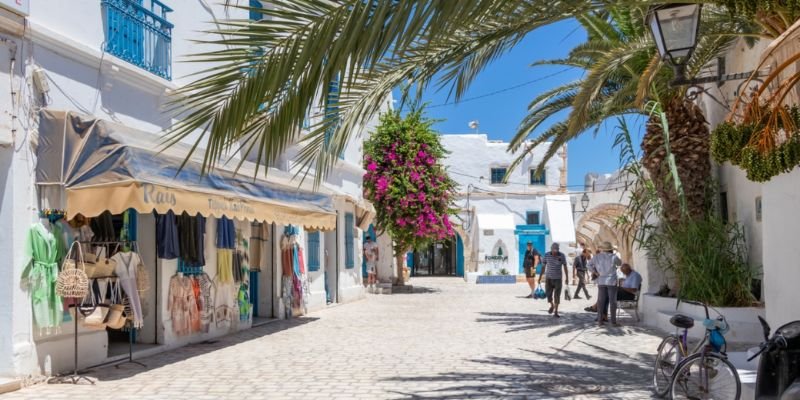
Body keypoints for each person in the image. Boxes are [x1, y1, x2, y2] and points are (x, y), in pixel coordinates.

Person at [588, 241, 622, 326]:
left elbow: (588, 265)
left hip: (601, 280)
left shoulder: (596, 257)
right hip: (612, 281)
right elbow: (620, 263)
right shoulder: (614, 257)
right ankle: (613, 322)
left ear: (602, 249)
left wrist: (595, 272)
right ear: (610, 249)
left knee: (600, 301)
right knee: (612, 302)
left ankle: (600, 321)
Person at [538, 243, 569, 318]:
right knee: (548, 294)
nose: (555, 252)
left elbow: (565, 266)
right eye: (554, 250)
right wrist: (540, 277)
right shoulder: (546, 255)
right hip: (548, 278)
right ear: (551, 249)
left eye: (557, 250)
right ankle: (552, 305)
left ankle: (556, 311)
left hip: (558, 279)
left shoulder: (562, 255)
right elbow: (543, 267)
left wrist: (567, 278)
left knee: (557, 296)